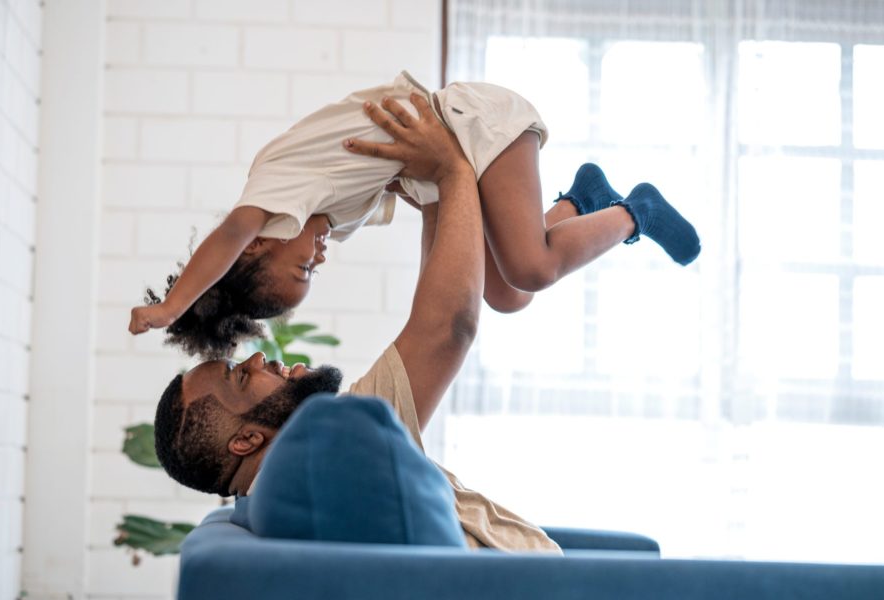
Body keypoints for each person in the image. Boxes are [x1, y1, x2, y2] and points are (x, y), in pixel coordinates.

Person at [152, 94, 648, 552]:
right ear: (244, 441)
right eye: (242, 375)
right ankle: (628, 215)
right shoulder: (328, 448)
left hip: (555, 577)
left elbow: (442, 311)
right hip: (559, 584)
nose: (259, 358)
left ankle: (591, 207)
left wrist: (439, 190)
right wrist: (450, 172)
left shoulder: (314, 461)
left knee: (514, 286)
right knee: (519, 281)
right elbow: (447, 325)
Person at [128, 71, 700, 359]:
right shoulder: (322, 211)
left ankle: (636, 212)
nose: (318, 258)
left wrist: (172, 307)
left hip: (470, 126)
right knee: (505, 295)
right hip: (452, 162)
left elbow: (229, 233)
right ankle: (580, 200)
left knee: (531, 269)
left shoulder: (274, 192)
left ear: (256, 244)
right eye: (314, 274)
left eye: (302, 268)